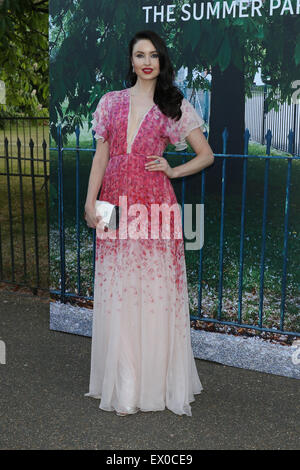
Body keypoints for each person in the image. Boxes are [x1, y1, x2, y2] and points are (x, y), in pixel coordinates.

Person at [84, 30, 214, 417]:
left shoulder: (173, 106)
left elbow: (206, 154)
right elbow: (100, 157)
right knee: (118, 288)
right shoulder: (110, 103)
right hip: (113, 203)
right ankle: (125, 386)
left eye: (153, 55)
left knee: (153, 290)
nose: (146, 61)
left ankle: (152, 385)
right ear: (131, 60)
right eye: (139, 54)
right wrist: (90, 201)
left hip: (155, 207)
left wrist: (174, 171)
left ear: (161, 62)